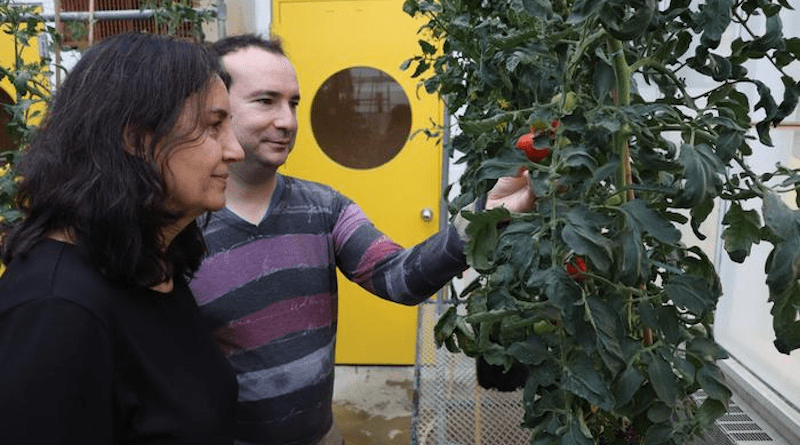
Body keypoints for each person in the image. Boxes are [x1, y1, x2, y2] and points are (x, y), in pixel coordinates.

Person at [188, 34, 535, 445]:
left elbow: (399, 276)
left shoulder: (323, 208)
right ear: (217, 109)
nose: (287, 121)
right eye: (266, 101)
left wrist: (483, 217)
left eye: (293, 103)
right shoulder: (182, 226)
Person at [0, 31, 245, 444]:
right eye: (213, 126)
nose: (234, 150)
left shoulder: (150, 263)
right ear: (136, 138)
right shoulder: (55, 310)